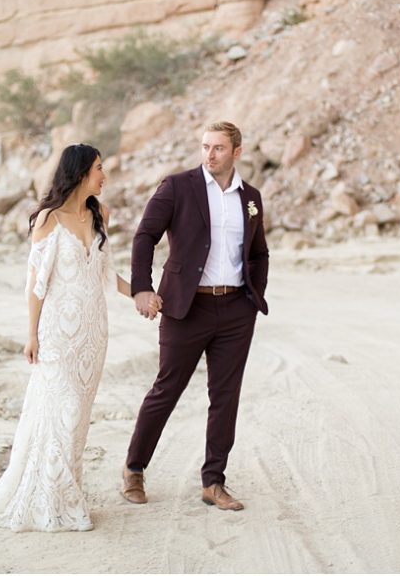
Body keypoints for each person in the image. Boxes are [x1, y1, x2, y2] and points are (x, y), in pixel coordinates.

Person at [0, 143, 138, 532]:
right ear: (80, 173)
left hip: (93, 334)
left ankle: (64, 491)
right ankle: (51, 499)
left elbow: (108, 276)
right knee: (64, 412)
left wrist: (145, 295)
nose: (104, 175)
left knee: (78, 420)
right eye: (98, 168)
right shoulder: (48, 219)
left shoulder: (101, 215)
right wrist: (31, 334)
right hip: (57, 334)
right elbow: (36, 283)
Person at [122, 121, 269, 511]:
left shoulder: (250, 197)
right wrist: (142, 287)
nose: (209, 154)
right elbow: (144, 237)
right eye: (205, 146)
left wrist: (255, 297)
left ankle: (214, 482)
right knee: (166, 389)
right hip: (186, 307)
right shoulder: (177, 187)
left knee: (225, 396)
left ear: (236, 152)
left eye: (218, 148)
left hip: (236, 310)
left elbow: (259, 252)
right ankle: (134, 468)